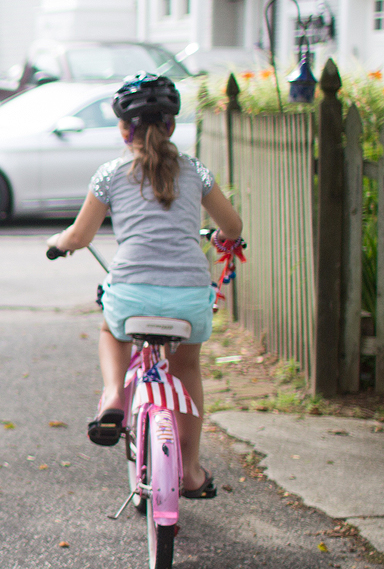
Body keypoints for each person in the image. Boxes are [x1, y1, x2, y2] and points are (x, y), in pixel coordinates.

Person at [46, 72, 241, 496]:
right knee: (186, 368)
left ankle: (115, 395)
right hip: (189, 296)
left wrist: (58, 243)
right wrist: (225, 239)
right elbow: (232, 225)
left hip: (132, 293)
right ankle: (189, 471)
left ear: (123, 129)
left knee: (110, 329)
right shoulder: (195, 173)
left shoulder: (111, 174)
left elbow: (79, 237)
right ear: (171, 126)